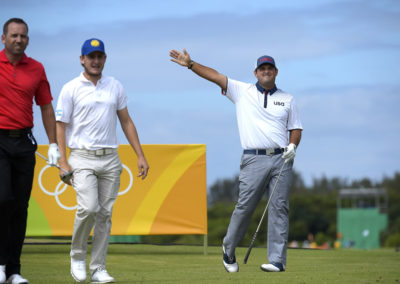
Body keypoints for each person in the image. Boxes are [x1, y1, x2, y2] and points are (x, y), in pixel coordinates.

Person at [170, 49, 302, 273]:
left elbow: (295, 128)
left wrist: (292, 146)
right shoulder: (242, 91)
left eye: (270, 68)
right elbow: (215, 76)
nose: (266, 71)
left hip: (282, 158)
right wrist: (191, 64)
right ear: (256, 72)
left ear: (276, 72)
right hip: (253, 158)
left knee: (280, 208)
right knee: (245, 207)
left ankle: (277, 260)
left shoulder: (288, 99)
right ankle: (228, 248)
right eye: (262, 69)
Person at [56, 38, 149, 283]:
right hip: (81, 157)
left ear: (104, 59)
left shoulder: (115, 86)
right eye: (91, 57)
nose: (96, 61)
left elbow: (126, 121)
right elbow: (60, 126)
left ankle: (98, 268)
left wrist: (140, 154)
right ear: (82, 59)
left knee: (105, 215)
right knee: (88, 207)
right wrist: (62, 161)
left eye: (100, 57)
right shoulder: (70, 88)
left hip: (110, 158)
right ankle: (77, 256)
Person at [0, 18, 60, 284]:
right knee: (2, 200)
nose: (18, 40)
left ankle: (13, 270)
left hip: (24, 142)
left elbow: (46, 107)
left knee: (19, 207)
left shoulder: (37, 68)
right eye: (13, 35)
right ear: (3, 39)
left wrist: (55, 144)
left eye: (23, 36)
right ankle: (0, 263)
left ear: (28, 40)